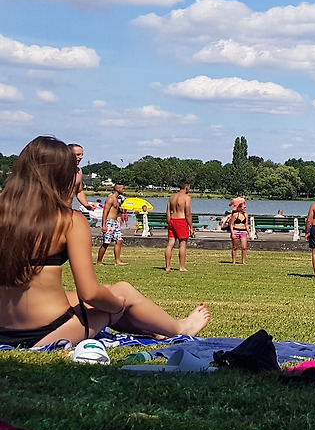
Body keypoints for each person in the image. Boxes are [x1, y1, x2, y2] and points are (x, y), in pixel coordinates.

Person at [0, 137, 211, 349]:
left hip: (4, 329)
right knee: (123, 292)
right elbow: (90, 293)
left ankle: (155, 328)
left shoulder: (4, 214)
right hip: (47, 331)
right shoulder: (69, 221)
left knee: (108, 291)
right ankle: (180, 328)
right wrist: (119, 307)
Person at [164, 183, 193, 272]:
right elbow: (187, 213)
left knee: (170, 243)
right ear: (186, 187)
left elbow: (168, 212)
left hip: (172, 220)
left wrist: (169, 222)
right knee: (182, 244)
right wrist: (191, 226)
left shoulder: (172, 197)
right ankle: (182, 266)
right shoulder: (186, 197)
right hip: (181, 220)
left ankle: (167, 267)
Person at [96, 184, 127, 266]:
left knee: (119, 240)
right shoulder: (110, 198)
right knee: (106, 242)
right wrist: (104, 225)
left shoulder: (116, 199)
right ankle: (99, 261)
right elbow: (105, 212)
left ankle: (117, 261)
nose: (124, 190)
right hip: (109, 222)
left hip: (115, 222)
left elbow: (116, 211)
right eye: (122, 188)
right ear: (117, 189)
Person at [67, 143, 93, 215]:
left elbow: (79, 191)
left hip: (68, 210)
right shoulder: (58, 170)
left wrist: (86, 205)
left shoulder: (79, 171)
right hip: (53, 210)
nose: (81, 157)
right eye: (78, 154)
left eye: (82, 154)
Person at [228, 198, 249, 265]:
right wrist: (232, 233)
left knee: (244, 247)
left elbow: (246, 225)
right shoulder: (235, 215)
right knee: (235, 247)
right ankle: (234, 261)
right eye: (244, 207)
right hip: (236, 230)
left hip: (243, 231)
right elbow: (231, 224)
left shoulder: (246, 215)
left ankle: (243, 261)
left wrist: (249, 233)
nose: (245, 209)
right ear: (240, 208)